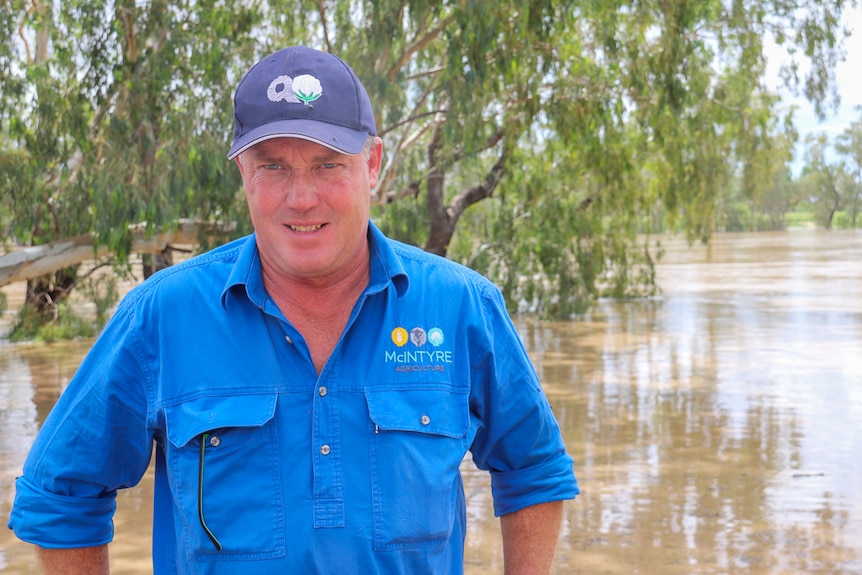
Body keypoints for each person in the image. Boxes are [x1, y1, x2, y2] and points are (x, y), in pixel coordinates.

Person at [8, 45, 578, 574]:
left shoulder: (462, 308)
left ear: (373, 164)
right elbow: (60, 494)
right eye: (273, 166)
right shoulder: (161, 316)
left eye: (328, 164)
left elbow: (533, 472)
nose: (301, 197)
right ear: (243, 174)